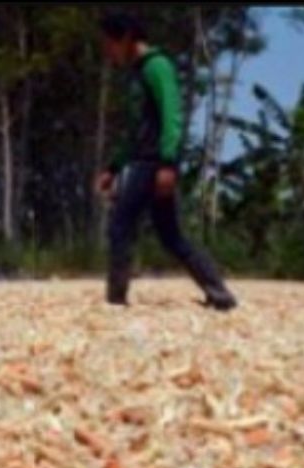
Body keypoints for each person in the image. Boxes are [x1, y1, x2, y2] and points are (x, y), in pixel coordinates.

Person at [95, 12, 237, 312]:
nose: (108, 52)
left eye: (110, 44)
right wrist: (113, 167)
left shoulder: (157, 67)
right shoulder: (136, 73)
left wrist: (169, 163)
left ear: (126, 38)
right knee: (170, 234)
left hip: (154, 163)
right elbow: (135, 130)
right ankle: (219, 293)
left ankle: (115, 299)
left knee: (121, 224)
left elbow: (172, 114)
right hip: (145, 160)